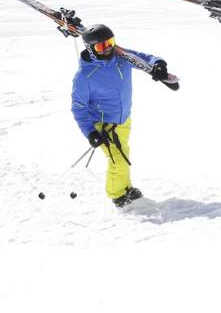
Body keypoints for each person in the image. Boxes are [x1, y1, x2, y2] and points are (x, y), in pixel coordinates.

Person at [70, 24, 171, 207]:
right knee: (118, 160)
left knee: (123, 154)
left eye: (110, 42)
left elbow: (143, 58)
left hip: (123, 119)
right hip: (104, 126)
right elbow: (79, 108)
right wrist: (91, 132)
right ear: (91, 49)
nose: (108, 48)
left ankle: (126, 187)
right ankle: (117, 195)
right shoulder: (85, 76)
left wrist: (158, 63)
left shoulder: (121, 57)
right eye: (102, 46)